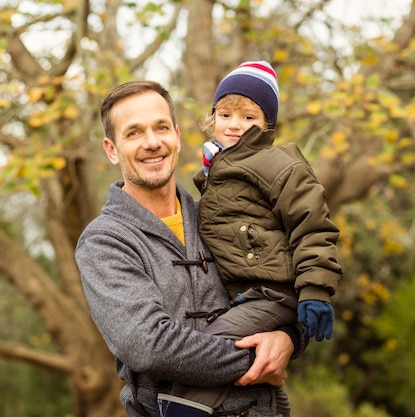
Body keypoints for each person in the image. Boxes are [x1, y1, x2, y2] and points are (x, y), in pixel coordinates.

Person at [75, 80, 307, 417]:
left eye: (161, 127)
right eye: (134, 133)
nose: (152, 143)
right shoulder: (105, 241)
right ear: (111, 149)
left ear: (178, 136)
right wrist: (258, 357)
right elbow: (149, 346)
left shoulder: (221, 217)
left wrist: (289, 339)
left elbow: (279, 288)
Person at [166, 61, 343, 416]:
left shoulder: (277, 165)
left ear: (266, 125)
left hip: (273, 292)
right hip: (249, 295)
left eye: (249, 117)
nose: (235, 125)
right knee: (250, 363)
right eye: (226, 114)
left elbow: (313, 227)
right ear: (212, 116)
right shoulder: (218, 169)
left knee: (201, 358)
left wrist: (315, 291)